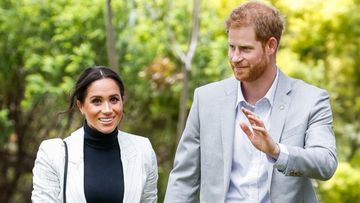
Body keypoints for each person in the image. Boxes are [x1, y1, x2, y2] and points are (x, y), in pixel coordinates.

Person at [164, 1, 337, 203]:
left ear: (271, 46)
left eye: (245, 49)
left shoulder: (311, 99)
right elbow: (184, 180)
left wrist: (276, 151)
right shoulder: (206, 99)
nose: (235, 58)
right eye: (231, 47)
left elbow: (326, 163)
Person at [32, 66, 158, 203]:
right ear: (81, 106)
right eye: (96, 101)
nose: (107, 110)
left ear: (122, 101)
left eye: (114, 99)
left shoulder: (143, 150)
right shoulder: (53, 154)